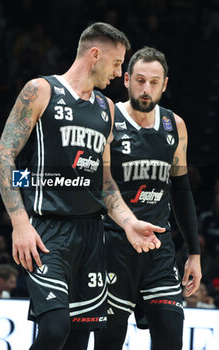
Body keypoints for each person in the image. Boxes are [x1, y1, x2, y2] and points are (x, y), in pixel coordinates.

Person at [0, 24, 165, 350]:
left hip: (90, 236)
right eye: (116, 63)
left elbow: (105, 181)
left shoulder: (108, 110)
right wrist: (19, 222)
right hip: (47, 233)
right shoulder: (40, 90)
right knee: (55, 329)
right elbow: (3, 160)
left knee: (77, 340)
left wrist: (129, 223)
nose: (119, 73)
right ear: (95, 54)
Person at [93, 47, 202, 350]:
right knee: (109, 341)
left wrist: (194, 252)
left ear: (165, 84)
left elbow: (181, 191)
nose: (146, 89)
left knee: (170, 336)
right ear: (126, 79)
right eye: (140, 80)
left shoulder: (174, 125)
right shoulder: (107, 117)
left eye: (154, 82)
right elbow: (98, 184)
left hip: (159, 249)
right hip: (113, 244)